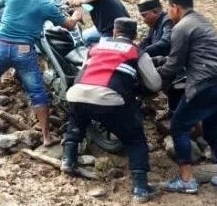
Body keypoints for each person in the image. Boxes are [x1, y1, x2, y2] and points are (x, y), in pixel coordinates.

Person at [0, 0, 82, 147]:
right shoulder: (46, 4)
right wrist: (76, 15)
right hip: (23, 50)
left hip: (0, 46)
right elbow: (69, 26)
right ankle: (46, 137)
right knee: (37, 92)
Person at [62, 18, 160, 202]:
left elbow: (83, 71)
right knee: (135, 139)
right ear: (135, 36)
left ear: (114, 32)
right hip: (110, 98)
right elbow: (155, 84)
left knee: (76, 122)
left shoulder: (94, 48)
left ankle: (68, 161)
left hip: (78, 93)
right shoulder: (137, 52)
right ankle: (140, 188)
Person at [156, 0, 217, 198]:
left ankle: (186, 180)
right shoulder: (203, 21)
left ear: (175, 7)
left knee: (178, 126)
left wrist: (153, 77)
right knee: (213, 131)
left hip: (206, 82)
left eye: (168, 8)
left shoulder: (181, 27)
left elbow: (174, 65)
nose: (168, 14)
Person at [137, 0, 184, 118]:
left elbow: (166, 42)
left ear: (155, 12)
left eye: (144, 15)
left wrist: (143, 53)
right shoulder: (155, 24)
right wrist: (136, 50)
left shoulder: (168, 21)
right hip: (165, 63)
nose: (144, 20)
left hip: (178, 67)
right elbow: (147, 41)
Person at [62, 0, 129, 45]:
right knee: (84, 37)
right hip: (111, 27)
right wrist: (77, 7)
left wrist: (82, 1)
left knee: (97, 53)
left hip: (114, 31)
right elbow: (91, 8)